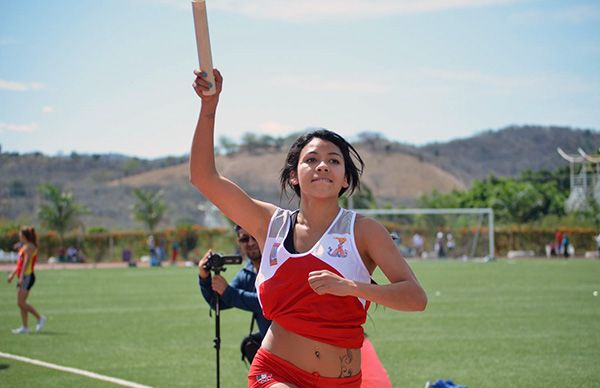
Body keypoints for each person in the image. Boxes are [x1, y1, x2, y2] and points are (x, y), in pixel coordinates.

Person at [190, 69, 427, 387]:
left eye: (333, 160)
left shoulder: (365, 231)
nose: (322, 165)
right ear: (293, 175)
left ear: (345, 179)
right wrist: (209, 105)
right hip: (275, 372)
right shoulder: (269, 224)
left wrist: (352, 288)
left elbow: (415, 297)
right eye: (311, 159)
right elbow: (204, 177)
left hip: (342, 381)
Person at [198, 225, 271, 340]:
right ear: (239, 242)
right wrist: (204, 278)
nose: (251, 243)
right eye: (244, 239)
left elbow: (267, 303)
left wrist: (228, 292)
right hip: (273, 347)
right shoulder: (246, 273)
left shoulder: (278, 266)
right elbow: (219, 303)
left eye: (255, 237)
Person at [7, 226, 46, 334]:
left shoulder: (30, 247)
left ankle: (39, 318)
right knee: (21, 302)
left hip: (27, 276)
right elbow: (20, 263)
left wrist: (20, 277)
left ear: (24, 236)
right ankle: (25, 327)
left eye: (20, 235)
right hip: (23, 276)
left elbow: (26, 263)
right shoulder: (24, 246)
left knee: (20, 302)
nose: (19, 237)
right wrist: (12, 274)